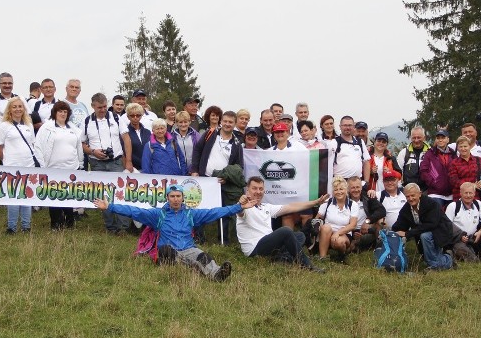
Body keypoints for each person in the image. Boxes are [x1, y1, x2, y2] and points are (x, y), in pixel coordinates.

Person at [93, 184, 257, 282]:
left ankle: (217, 274)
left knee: (203, 256)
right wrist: (110, 207)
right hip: (168, 250)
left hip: (189, 248)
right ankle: (185, 265)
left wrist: (238, 207)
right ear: (167, 198)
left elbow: (215, 212)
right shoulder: (158, 215)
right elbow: (134, 211)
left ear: (183, 198)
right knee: (166, 252)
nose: (176, 199)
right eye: (172, 196)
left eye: (178, 196)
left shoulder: (191, 214)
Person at [236, 176, 327, 272]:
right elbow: (240, 212)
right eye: (254, 188)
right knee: (286, 231)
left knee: (300, 235)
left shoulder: (266, 207)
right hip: (254, 249)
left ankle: (282, 258)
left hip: (268, 243)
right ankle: (307, 265)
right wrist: (240, 204)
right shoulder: (244, 207)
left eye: (261, 189)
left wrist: (316, 202)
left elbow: (291, 207)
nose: (258, 192)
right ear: (247, 190)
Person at [192, 110, 244, 245]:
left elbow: (239, 166)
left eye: (230, 122)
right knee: (201, 209)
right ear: (221, 121)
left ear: (234, 124)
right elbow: (197, 150)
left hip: (223, 181)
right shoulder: (209, 134)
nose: (227, 124)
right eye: (225, 121)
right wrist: (195, 170)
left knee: (224, 211)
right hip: (205, 178)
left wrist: (228, 178)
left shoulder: (237, 143)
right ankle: (198, 237)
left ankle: (223, 240)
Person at [83, 92, 130, 235]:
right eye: (99, 107)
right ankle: (110, 227)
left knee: (120, 194)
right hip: (97, 163)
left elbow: (126, 139)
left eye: (104, 106)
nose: (103, 110)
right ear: (93, 106)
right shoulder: (87, 122)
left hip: (116, 162)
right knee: (102, 195)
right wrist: (93, 152)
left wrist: (128, 161)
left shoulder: (116, 118)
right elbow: (82, 144)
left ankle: (123, 228)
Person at [35, 101, 84, 230]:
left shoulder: (74, 129)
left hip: (71, 168)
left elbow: (79, 149)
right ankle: (55, 223)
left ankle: (70, 221)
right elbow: (38, 146)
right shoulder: (46, 128)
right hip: (53, 168)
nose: (63, 114)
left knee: (69, 196)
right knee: (54, 196)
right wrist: (42, 165)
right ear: (55, 113)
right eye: (60, 111)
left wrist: (81, 164)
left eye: (65, 112)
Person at [0, 97, 36, 233]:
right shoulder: (4, 126)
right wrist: (7, 161)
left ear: (24, 109)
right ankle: (11, 227)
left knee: (26, 196)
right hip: (12, 166)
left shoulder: (29, 125)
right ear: (10, 110)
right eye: (14, 107)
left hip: (28, 165)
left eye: (20, 106)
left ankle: (26, 226)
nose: (18, 109)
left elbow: (33, 144)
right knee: (13, 196)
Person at [392, 183, 454, 271]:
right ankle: (446, 261)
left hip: (441, 233)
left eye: (413, 195)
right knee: (425, 238)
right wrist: (392, 232)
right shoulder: (406, 208)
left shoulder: (431, 204)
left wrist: (408, 233)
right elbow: (400, 224)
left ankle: (438, 264)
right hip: (424, 238)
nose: (410, 199)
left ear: (420, 193)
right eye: (407, 196)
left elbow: (431, 224)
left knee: (425, 235)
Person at [445, 182, 481, 262]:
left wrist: (480, 232)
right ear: (460, 193)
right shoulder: (453, 206)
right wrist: (460, 236)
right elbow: (446, 226)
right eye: (465, 193)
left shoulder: (478, 204)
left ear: (474, 194)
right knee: (461, 249)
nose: (468, 195)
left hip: (474, 237)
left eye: (470, 193)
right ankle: (474, 260)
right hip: (458, 239)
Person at [316, 175, 358, 261]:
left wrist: (338, 233)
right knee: (326, 227)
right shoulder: (327, 203)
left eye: (341, 189)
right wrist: (317, 227)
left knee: (339, 242)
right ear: (333, 191)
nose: (339, 192)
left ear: (346, 190)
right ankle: (323, 257)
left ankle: (341, 256)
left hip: (344, 233)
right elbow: (317, 219)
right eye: (336, 190)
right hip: (327, 233)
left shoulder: (353, 204)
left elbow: (353, 225)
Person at [347, 176, 386, 251]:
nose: (356, 190)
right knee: (349, 249)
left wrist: (368, 221)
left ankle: (379, 248)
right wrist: (352, 232)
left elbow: (382, 210)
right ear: (348, 189)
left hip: (366, 231)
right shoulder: (344, 201)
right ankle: (357, 246)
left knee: (381, 221)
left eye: (358, 187)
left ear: (361, 187)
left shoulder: (368, 197)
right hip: (350, 232)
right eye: (353, 188)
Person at [419, 128, 456, 209]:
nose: (440, 140)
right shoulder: (430, 153)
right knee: (437, 217)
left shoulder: (453, 153)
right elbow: (423, 170)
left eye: (443, 138)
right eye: (438, 138)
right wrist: (433, 183)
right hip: (435, 193)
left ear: (448, 139)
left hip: (451, 194)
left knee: (450, 219)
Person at [328, 116, 369, 181]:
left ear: (353, 127)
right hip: (340, 183)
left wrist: (366, 182)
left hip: (357, 182)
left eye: (350, 125)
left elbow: (366, 162)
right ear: (340, 126)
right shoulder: (334, 143)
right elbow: (328, 165)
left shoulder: (360, 142)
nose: (347, 128)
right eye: (345, 125)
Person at [449, 135, 481, 201]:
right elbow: (453, 180)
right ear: (457, 148)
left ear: (469, 146)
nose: (463, 149)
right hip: (459, 197)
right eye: (460, 147)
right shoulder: (454, 163)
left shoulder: (478, 160)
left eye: (465, 146)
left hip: (477, 196)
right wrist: (471, 186)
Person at [121, 102, 152, 173]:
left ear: (141, 116)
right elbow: (123, 152)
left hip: (148, 167)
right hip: (133, 169)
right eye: (132, 115)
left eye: (138, 115)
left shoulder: (147, 132)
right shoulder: (125, 133)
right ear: (128, 117)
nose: (135, 118)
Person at [397, 126, 429, 193]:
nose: (416, 140)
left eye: (419, 137)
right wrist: (400, 188)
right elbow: (398, 172)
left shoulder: (430, 152)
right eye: (414, 138)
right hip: (408, 191)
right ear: (410, 138)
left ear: (424, 138)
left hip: (426, 191)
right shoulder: (404, 153)